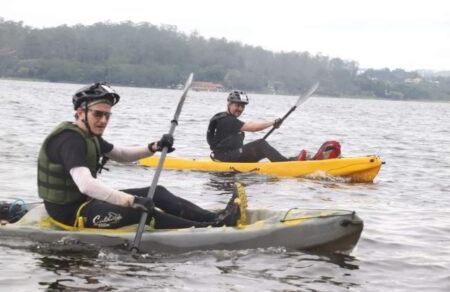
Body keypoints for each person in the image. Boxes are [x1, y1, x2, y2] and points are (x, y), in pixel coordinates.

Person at [37, 82, 240, 230]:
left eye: (107, 115)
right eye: (98, 114)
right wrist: (131, 200)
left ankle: (214, 217)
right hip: (69, 213)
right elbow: (86, 185)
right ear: (80, 113)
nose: (103, 120)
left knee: (156, 192)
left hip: (86, 201)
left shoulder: (89, 135)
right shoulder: (69, 140)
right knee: (141, 211)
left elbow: (120, 154)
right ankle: (209, 228)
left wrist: (154, 146)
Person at [207, 90, 293, 162]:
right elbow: (253, 127)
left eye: (242, 106)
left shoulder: (224, 117)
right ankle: (286, 164)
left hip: (229, 155)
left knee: (260, 148)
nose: (240, 109)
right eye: (237, 105)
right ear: (229, 104)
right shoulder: (227, 120)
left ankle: (287, 161)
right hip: (225, 158)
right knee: (260, 144)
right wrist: (273, 122)